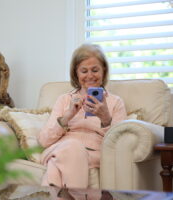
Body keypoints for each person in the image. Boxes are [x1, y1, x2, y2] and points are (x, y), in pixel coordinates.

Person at [38, 44, 127, 190]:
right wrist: (67, 116)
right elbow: (43, 140)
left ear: (104, 70)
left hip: (91, 155)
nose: (90, 75)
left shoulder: (115, 102)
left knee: (56, 166)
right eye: (84, 71)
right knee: (72, 146)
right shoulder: (64, 100)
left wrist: (105, 119)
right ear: (76, 74)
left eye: (95, 70)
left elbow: (120, 145)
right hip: (59, 149)